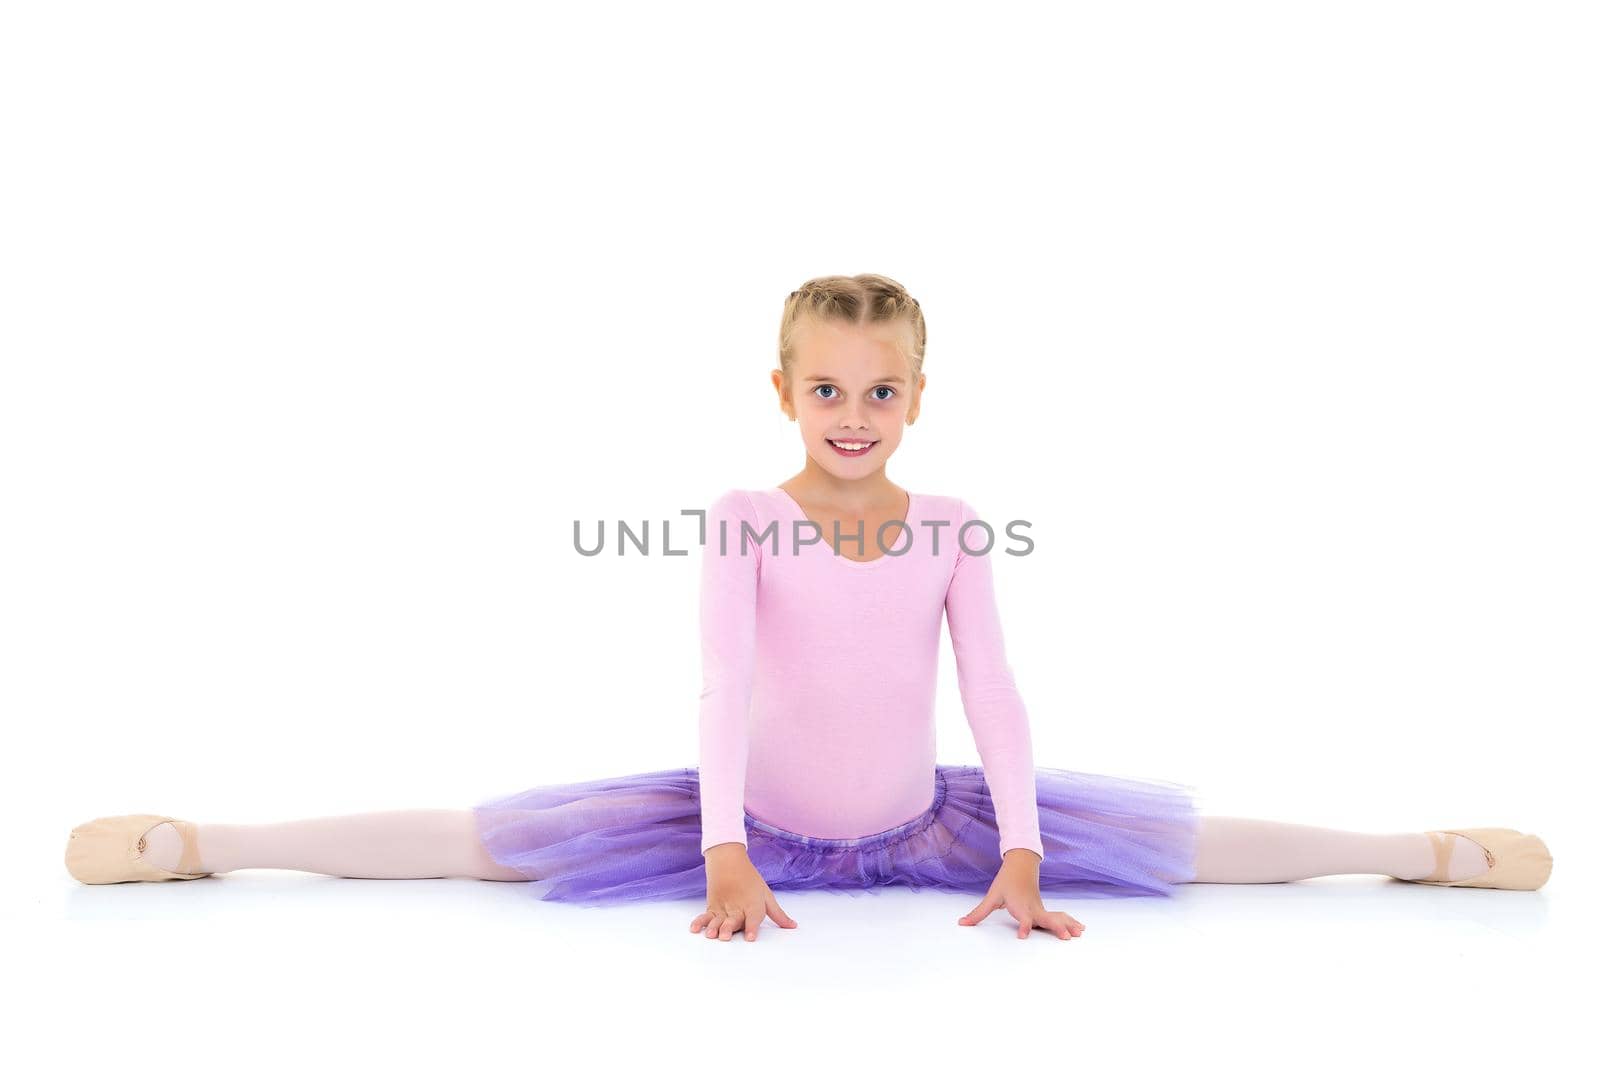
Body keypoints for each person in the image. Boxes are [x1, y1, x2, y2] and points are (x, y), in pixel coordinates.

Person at [63, 273, 1553, 941]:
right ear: (783, 391)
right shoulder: (742, 520)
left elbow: (1000, 700)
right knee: (488, 846)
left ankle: (1417, 853)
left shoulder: (957, 524)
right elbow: (721, 691)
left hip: (931, 823)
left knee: (1183, 851)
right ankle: (210, 844)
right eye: (826, 387)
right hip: (745, 823)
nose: (855, 413)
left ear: (920, 394)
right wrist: (719, 850)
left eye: (882, 388)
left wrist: (1023, 850)